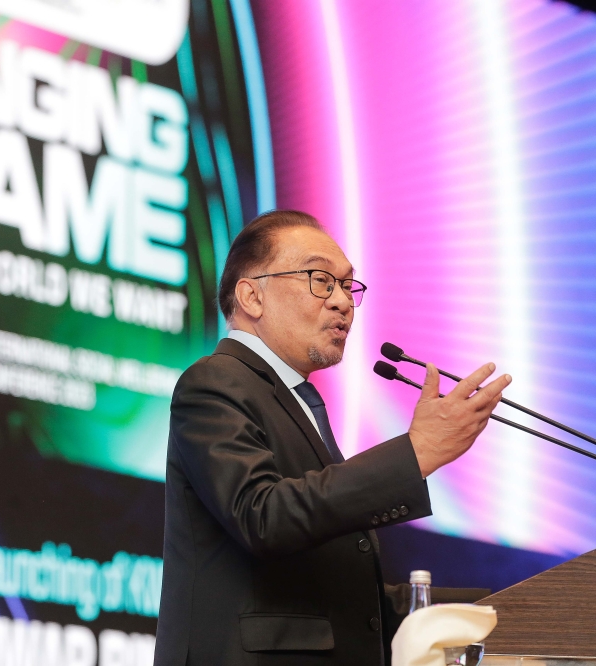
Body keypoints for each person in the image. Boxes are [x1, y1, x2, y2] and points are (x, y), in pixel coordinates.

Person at [153, 210, 511, 666]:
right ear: (251, 296)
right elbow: (263, 516)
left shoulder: (299, 402)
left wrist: (513, 605)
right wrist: (415, 453)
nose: (344, 302)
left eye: (348, 286)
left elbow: (349, 599)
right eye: (322, 280)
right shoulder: (215, 381)